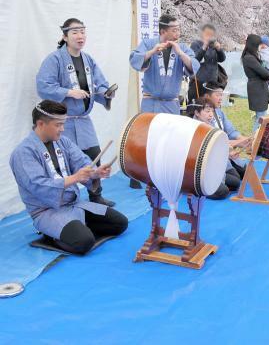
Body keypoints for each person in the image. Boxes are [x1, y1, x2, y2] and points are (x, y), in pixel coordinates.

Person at [9, 101, 127, 255]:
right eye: (58, 125)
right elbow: (38, 186)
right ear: (40, 124)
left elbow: (82, 162)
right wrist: (75, 178)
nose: (62, 129)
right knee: (84, 243)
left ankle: (77, 229)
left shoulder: (63, 142)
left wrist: (95, 173)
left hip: (74, 205)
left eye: (63, 124)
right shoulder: (23, 152)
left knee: (120, 224)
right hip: (47, 211)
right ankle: (52, 235)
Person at [36, 18, 116, 207]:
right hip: (62, 123)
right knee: (62, 161)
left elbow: (100, 83)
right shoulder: (54, 59)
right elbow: (43, 85)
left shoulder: (88, 59)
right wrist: (69, 92)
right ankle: (62, 200)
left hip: (83, 121)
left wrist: (106, 92)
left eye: (82, 31)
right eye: (75, 32)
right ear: (65, 36)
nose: (80, 36)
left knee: (94, 156)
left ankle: (96, 196)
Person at [130, 14, 199, 114]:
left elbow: (195, 65)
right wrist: (152, 52)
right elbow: (134, 59)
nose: (178, 33)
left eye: (179, 30)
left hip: (172, 105)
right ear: (163, 31)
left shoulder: (182, 48)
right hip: (150, 104)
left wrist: (180, 53)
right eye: (174, 30)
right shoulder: (148, 44)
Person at [189, 97, 246, 200]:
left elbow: (220, 144)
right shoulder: (193, 128)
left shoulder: (210, 124)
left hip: (214, 166)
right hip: (198, 171)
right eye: (207, 111)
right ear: (197, 113)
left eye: (212, 111)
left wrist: (229, 152)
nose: (211, 114)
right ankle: (194, 188)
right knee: (223, 192)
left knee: (236, 182)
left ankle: (215, 183)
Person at [241, 34, 269, 132]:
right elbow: (264, 73)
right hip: (257, 89)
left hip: (258, 88)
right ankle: (255, 142)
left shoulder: (250, 56)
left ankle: (255, 141)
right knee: (261, 119)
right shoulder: (249, 58)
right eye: (260, 45)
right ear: (254, 45)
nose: (261, 47)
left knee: (260, 117)